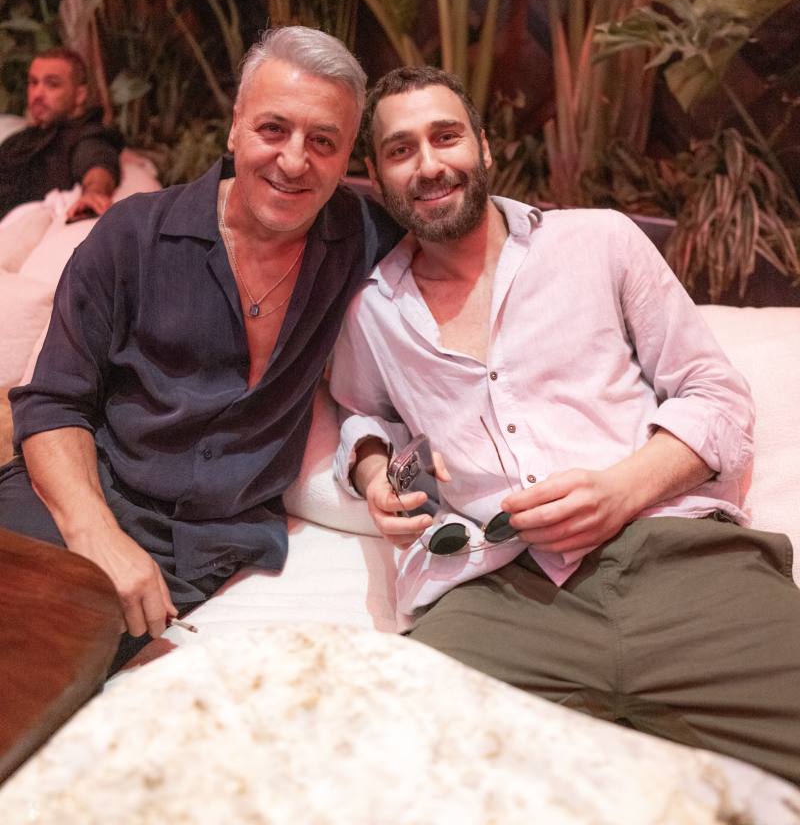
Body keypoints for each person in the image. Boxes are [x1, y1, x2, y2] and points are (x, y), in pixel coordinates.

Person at [330, 65, 800, 785]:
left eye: (446, 136)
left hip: (679, 563)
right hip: (497, 595)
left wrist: (620, 491)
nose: (428, 164)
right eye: (401, 149)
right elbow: (363, 414)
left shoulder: (599, 241)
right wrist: (373, 473)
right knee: (387, 781)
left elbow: (716, 395)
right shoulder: (373, 310)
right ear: (378, 172)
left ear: (484, 146)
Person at [0, 26, 399, 666]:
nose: (294, 161)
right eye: (273, 129)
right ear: (235, 127)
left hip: (211, 547)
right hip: (79, 506)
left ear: (349, 155)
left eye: (323, 141)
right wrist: (97, 535)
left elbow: (472, 231)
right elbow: (51, 403)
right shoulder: (132, 237)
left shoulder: (362, 236)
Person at [0, 47, 123, 221]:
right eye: (33, 83)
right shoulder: (20, 139)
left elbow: (97, 163)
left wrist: (94, 193)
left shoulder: (85, 135)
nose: (37, 94)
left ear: (79, 95)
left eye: (52, 84)